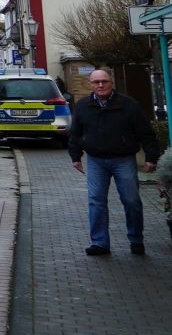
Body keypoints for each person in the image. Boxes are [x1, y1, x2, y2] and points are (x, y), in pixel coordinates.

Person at [68, 68, 161, 256]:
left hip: (123, 159)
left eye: (104, 81)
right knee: (96, 201)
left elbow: (145, 133)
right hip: (96, 160)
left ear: (111, 83)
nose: (100, 85)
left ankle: (136, 239)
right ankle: (100, 243)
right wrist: (75, 157)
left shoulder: (129, 105)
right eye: (96, 82)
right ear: (90, 85)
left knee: (131, 200)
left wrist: (151, 157)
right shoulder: (83, 106)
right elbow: (76, 133)